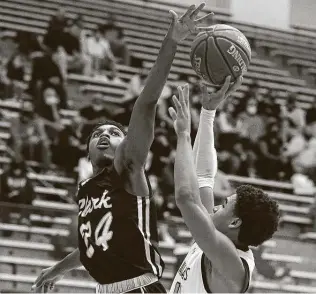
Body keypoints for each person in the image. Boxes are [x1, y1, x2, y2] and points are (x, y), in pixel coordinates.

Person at [32, 4, 213, 293]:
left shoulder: (127, 167)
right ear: (87, 151)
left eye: (115, 133)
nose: (105, 135)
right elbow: (93, 249)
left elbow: (146, 104)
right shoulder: (86, 189)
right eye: (97, 134)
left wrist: (173, 40)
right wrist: (55, 270)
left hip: (137, 288)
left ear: (125, 144)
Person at [168, 79, 280, 293]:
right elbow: (204, 177)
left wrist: (183, 136)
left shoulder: (231, 263)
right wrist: (208, 112)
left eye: (225, 205)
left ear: (235, 221)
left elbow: (185, 197)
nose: (217, 207)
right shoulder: (215, 238)